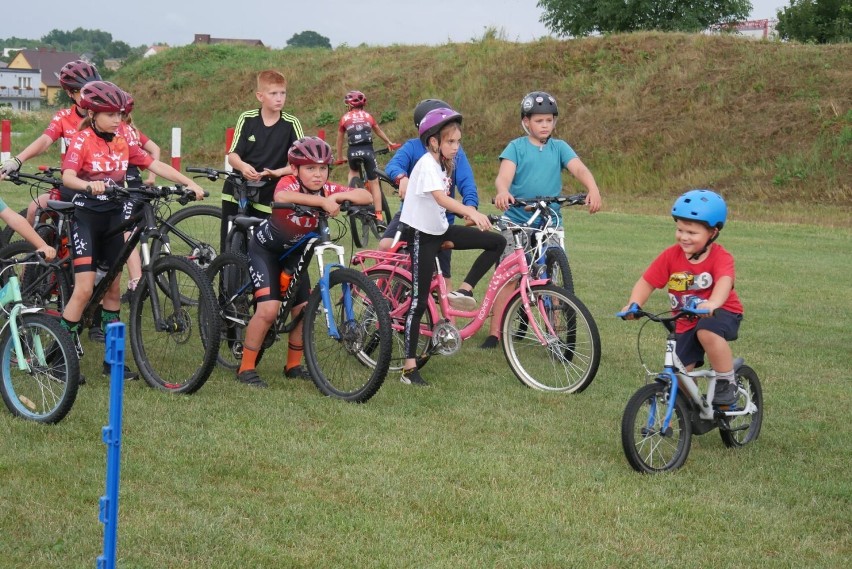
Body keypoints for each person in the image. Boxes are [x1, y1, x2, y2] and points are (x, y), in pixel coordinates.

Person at [60, 81, 205, 381]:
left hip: (113, 218)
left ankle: (112, 362)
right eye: (111, 114)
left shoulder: (123, 142)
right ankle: (60, 357)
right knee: (85, 288)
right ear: (94, 113)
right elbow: (68, 177)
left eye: (120, 114)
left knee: (113, 289)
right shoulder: (81, 139)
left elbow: (154, 163)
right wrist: (89, 184)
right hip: (85, 216)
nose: (118, 119)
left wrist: (188, 183)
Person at [235, 137, 372, 388]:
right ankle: (245, 368)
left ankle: (293, 365)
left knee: (304, 310)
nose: (318, 175)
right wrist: (321, 202)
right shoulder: (289, 182)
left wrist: (339, 196)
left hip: (295, 256)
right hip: (267, 251)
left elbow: (365, 195)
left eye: (322, 168)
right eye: (310, 168)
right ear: (295, 169)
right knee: (268, 311)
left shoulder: (327, 188)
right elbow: (284, 195)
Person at [484, 91, 603, 348]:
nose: (545, 125)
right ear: (526, 122)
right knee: (509, 277)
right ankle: (495, 333)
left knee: (552, 278)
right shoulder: (516, 147)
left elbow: (579, 168)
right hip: (518, 221)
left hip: (550, 221)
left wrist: (592, 188)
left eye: (549, 120)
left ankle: (555, 333)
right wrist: (503, 192)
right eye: (539, 121)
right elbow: (503, 177)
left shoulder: (560, 148)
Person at [398, 108, 506, 386]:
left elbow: (447, 201)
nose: (456, 147)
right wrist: (470, 212)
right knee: (418, 301)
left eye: (458, 142)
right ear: (433, 142)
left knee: (496, 241)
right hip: (422, 236)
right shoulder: (426, 164)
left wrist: (471, 216)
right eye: (451, 142)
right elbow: (441, 199)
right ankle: (409, 369)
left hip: (440, 230)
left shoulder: (444, 163)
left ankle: (465, 289)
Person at [620, 189, 743, 407]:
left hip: (722, 313)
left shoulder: (721, 257)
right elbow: (647, 282)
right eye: (680, 230)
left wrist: (713, 303)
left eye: (692, 233)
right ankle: (691, 410)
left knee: (707, 330)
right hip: (686, 321)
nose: (684, 237)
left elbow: (724, 281)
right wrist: (635, 303)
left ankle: (726, 380)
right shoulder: (670, 256)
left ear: (712, 233)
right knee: (677, 373)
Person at [380, 98, 480, 290]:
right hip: (411, 216)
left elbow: (467, 181)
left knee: (444, 281)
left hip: (441, 219)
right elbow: (393, 165)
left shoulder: (454, 151)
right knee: (386, 246)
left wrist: (471, 206)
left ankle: (445, 318)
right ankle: (379, 295)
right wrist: (402, 178)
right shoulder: (412, 146)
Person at [0, 60, 101, 222]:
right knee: (34, 209)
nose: (88, 94)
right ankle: (42, 247)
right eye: (82, 91)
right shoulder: (64, 117)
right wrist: (18, 160)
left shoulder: (106, 117)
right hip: (72, 184)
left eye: (92, 89)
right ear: (70, 93)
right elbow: (45, 140)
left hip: (100, 187)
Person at [221, 70, 304, 252]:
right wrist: (243, 167)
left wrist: (279, 172)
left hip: (270, 193)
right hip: (238, 189)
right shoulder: (247, 118)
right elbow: (233, 156)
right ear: (260, 96)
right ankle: (227, 280)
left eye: (283, 93)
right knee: (229, 250)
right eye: (273, 93)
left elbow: (301, 164)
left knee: (263, 250)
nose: (279, 98)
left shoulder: (291, 123)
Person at [118, 91, 161, 306]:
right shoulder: (134, 130)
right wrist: (151, 177)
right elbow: (155, 149)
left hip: (125, 188)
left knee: (126, 234)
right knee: (134, 233)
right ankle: (136, 282)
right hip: (137, 186)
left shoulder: (121, 131)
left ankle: (136, 282)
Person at [333, 90, 399, 226]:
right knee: (374, 183)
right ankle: (380, 218)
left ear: (349, 106)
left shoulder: (345, 118)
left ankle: (349, 197)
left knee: (353, 172)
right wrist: (389, 143)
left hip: (352, 151)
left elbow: (339, 140)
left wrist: (339, 157)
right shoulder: (368, 116)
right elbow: (378, 131)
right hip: (368, 151)